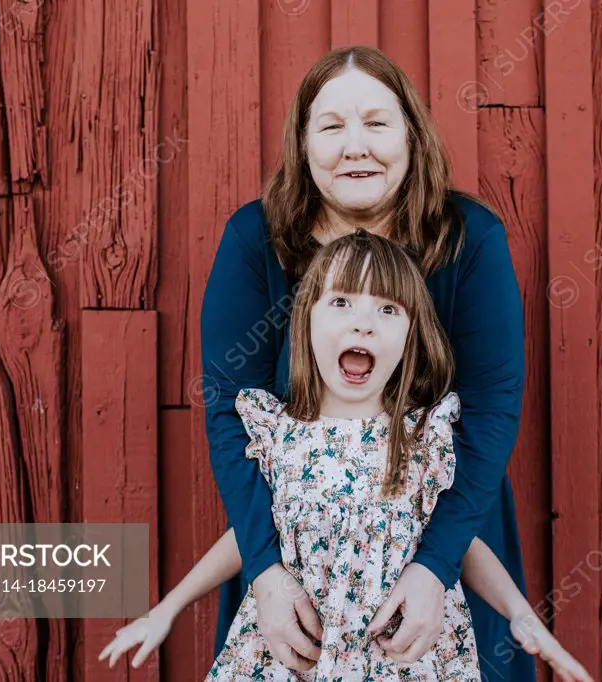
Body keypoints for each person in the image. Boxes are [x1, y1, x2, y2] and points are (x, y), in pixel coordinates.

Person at [99, 232, 593, 681]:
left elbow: (461, 546)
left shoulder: (422, 440)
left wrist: (523, 615)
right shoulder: (281, 436)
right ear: (306, 322)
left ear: (410, 336)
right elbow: (248, 537)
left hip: (401, 664)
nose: (363, 325)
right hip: (298, 659)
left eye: (388, 310)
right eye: (341, 302)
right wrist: (166, 609)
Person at [196, 44, 539, 679]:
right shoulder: (256, 238)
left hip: (450, 534)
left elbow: (493, 410)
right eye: (331, 126)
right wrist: (265, 570)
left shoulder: (468, 239)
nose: (356, 146)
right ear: (303, 144)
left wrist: (435, 567)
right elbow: (229, 413)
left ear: (413, 135)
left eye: (377, 123)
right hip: (297, 554)